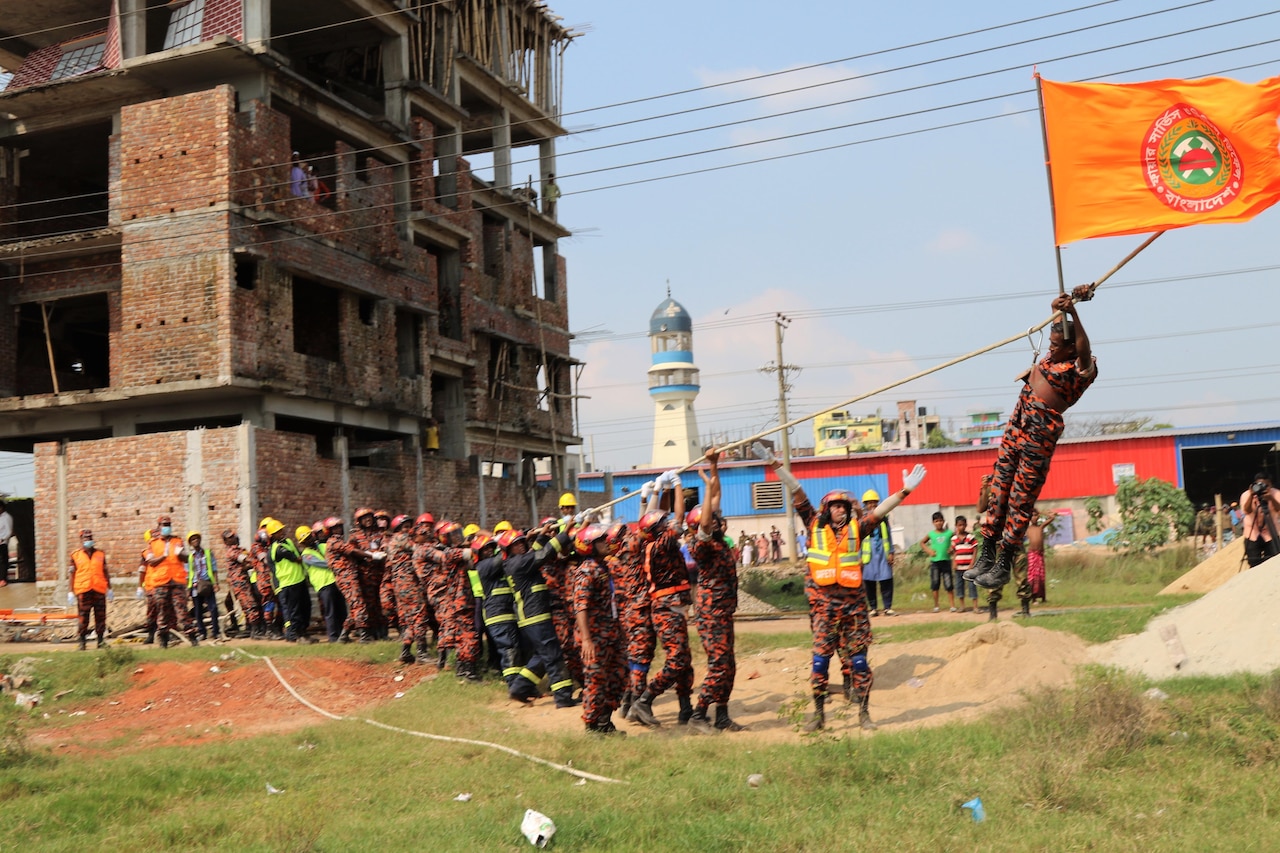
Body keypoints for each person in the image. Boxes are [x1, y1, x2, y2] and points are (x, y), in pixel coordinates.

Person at [756, 442, 926, 732]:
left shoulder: (857, 529)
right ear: (825, 509)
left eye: (844, 506)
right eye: (835, 506)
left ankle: (864, 713)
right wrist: (774, 463)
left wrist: (904, 491)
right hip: (823, 608)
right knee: (820, 663)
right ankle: (820, 716)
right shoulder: (812, 523)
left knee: (859, 661)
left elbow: (880, 511)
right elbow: (796, 490)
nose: (839, 510)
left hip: (853, 608)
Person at [969, 288, 1096, 589]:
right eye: (1050, 342)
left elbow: (1083, 347)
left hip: (1038, 438)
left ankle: (1004, 562)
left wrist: (1074, 313)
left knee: (1020, 500)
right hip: (1016, 430)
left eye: (1056, 344)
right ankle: (987, 554)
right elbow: (1059, 329)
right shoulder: (1052, 357)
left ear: (1069, 349)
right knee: (999, 490)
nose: (1051, 348)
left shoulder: (1080, 369)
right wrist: (1060, 307)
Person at [627, 471, 696, 727]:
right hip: (667, 607)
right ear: (659, 530)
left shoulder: (655, 542)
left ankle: (685, 708)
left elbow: (653, 518)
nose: (669, 524)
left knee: (684, 662)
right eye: (664, 524)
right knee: (677, 660)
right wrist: (677, 485)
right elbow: (678, 517)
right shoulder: (659, 544)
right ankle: (644, 701)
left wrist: (660, 491)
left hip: (672, 605)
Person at [687, 449, 744, 732]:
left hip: (724, 613)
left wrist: (713, 466)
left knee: (729, 665)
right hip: (711, 615)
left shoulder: (721, 541)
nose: (721, 520)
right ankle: (699, 715)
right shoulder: (702, 545)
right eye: (715, 519)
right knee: (719, 665)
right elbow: (707, 521)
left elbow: (717, 500)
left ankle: (721, 715)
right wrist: (706, 491)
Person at [572, 523, 627, 735]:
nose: (607, 542)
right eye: (601, 540)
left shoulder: (605, 567)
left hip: (611, 633)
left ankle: (605, 720)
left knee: (619, 676)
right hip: (594, 637)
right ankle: (592, 725)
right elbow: (581, 606)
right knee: (596, 681)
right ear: (589, 546)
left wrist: (619, 628)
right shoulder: (586, 570)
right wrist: (586, 639)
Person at [144, 515, 200, 648]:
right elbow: (151, 562)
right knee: (162, 612)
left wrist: (182, 554)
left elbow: (185, 559)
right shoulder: (153, 543)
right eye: (164, 525)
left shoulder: (177, 540)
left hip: (177, 581)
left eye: (168, 524)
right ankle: (163, 640)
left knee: (182, 611)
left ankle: (193, 638)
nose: (167, 527)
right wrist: (163, 556)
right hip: (160, 582)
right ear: (159, 526)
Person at [266, 519, 313, 643]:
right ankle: (296, 635)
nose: (281, 532)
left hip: (299, 580)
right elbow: (296, 558)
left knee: (306, 607)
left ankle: (303, 632)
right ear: (272, 535)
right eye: (277, 531)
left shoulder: (288, 542)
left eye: (281, 530)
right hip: (288, 583)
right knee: (294, 611)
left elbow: (298, 554)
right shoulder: (277, 549)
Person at [69, 528, 110, 650]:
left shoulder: (100, 554)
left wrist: (110, 588)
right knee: (83, 617)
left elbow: (106, 572)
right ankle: (82, 642)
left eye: (90, 538)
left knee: (101, 616)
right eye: (86, 538)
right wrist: (70, 591)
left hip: (99, 589)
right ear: (81, 540)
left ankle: (101, 641)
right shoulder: (75, 555)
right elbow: (71, 574)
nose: (89, 540)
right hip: (83, 589)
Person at [222, 530, 266, 639]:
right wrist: (259, 557)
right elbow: (246, 560)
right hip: (240, 583)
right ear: (225, 541)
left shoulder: (238, 550)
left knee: (249, 604)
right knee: (250, 605)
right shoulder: (232, 551)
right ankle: (255, 632)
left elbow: (246, 564)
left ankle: (251, 628)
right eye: (230, 538)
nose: (234, 538)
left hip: (243, 580)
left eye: (234, 536)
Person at [859, 490, 896, 617]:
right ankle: (873, 608)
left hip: (882, 553)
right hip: (868, 555)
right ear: (865, 504)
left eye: (875, 502)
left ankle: (887, 607)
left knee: (886, 580)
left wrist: (891, 552)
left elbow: (889, 536)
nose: (872, 505)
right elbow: (857, 539)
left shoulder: (883, 519)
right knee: (869, 582)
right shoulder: (862, 520)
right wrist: (858, 557)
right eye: (870, 503)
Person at [185, 531, 221, 641]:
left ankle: (215, 632)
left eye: (197, 538)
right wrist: (188, 588)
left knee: (213, 608)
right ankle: (202, 632)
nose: (195, 541)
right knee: (198, 610)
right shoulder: (190, 557)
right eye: (192, 540)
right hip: (196, 586)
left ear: (200, 540)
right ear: (190, 543)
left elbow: (214, 569)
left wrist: (216, 583)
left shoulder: (207, 553)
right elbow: (188, 573)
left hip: (207, 584)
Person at [1240, 472, 1280, 567]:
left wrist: (1271, 498)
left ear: (1270, 484)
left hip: (1271, 532)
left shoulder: (1276, 494)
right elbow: (1246, 511)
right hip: (1252, 532)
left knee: (1274, 559)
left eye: (1266, 485)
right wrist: (1251, 495)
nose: (1263, 488)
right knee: (1253, 561)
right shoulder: (1246, 495)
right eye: (1260, 485)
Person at [921, 512, 955, 613]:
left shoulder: (949, 533)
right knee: (935, 584)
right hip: (935, 562)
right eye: (936, 521)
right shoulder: (931, 534)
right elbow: (922, 543)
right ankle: (936, 606)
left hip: (946, 561)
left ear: (943, 521)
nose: (938, 523)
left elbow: (957, 540)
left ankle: (952, 605)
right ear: (933, 523)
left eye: (940, 521)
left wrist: (951, 549)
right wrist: (929, 551)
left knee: (948, 584)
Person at [1023, 510, 1055, 612]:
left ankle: (1043, 597)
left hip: (1040, 554)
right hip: (1032, 554)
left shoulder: (1040, 527)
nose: (1034, 518)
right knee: (1033, 576)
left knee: (1041, 576)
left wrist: (1041, 512)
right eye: (1032, 516)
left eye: (1036, 516)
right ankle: (1034, 598)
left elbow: (1052, 518)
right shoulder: (1027, 529)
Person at [950, 516, 979, 613]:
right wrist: (954, 562)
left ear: (966, 525)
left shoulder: (970, 537)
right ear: (956, 526)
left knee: (972, 585)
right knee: (959, 586)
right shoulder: (954, 539)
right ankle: (962, 606)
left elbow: (975, 550)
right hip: (959, 567)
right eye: (959, 525)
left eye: (963, 525)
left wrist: (972, 563)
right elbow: (955, 552)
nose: (961, 527)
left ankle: (975, 607)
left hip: (969, 567)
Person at [0, 499, 12, 585]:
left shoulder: (6, 517)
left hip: (2, 543)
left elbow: (9, 531)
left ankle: (2, 579)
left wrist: (3, 539)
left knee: (2, 561)